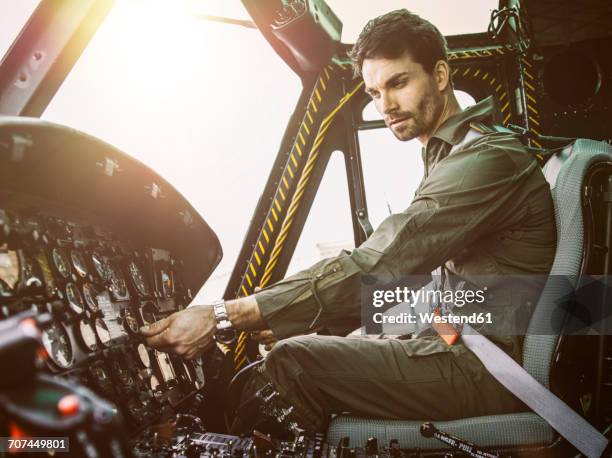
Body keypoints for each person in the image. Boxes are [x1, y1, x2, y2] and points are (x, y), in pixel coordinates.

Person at [141, 9, 556, 434]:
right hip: (461, 340)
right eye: (373, 92)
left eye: (398, 83)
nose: (386, 105)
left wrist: (222, 316)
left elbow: (382, 263)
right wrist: (305, 318)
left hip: (490, 368)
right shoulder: (452, 153)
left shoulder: (484, 160)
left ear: (442, 75)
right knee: (296, 346)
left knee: (292, 365)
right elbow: (427, 279)